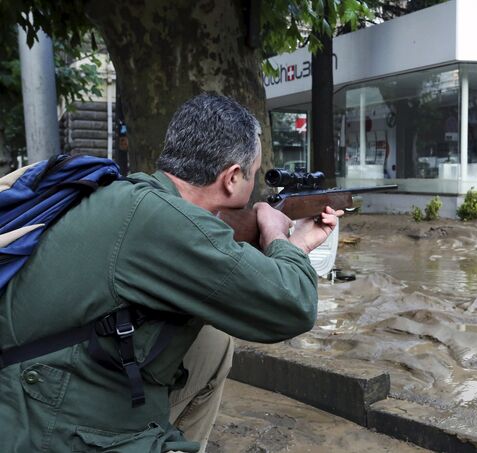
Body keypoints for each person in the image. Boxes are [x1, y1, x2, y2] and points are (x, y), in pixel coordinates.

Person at [0, 93, 342, 452]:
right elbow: (292, 306)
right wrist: (280, 236)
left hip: (44, 378)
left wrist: (289, 243)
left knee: (212, 345)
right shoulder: (164, 223)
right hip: (40, 415)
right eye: (254, 175)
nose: (255, 186)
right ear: (232, 177)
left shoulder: (135, 196)